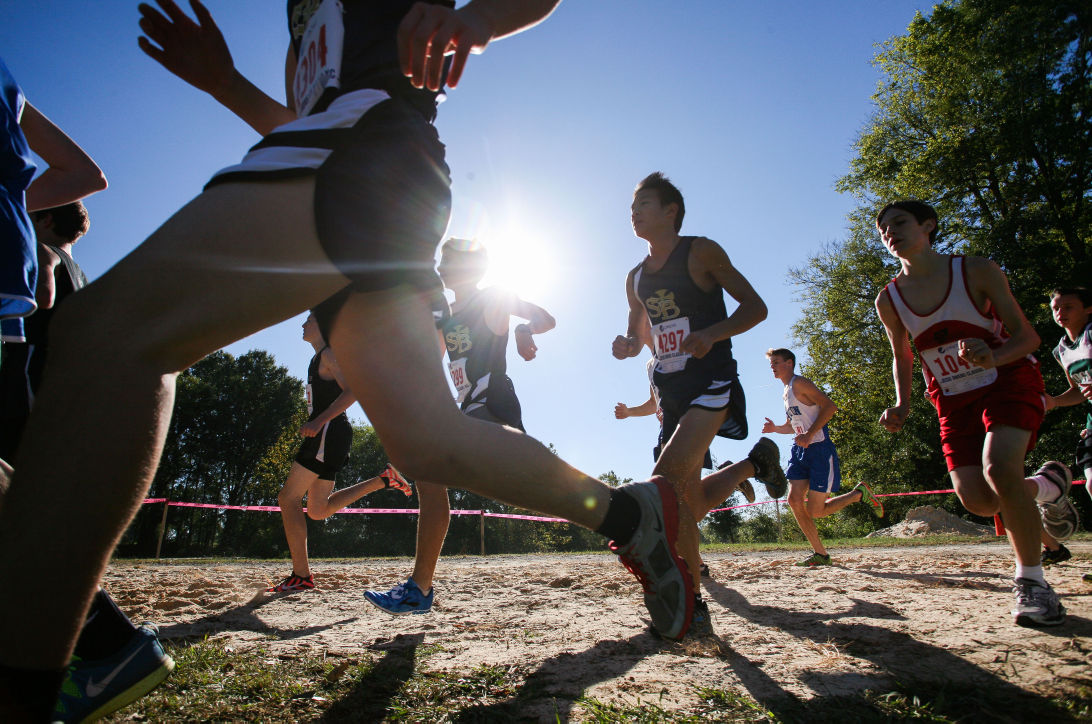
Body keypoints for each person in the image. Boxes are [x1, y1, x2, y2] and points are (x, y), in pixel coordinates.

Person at [0, 3, 700, 719]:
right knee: (427, 439)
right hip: (361, 175)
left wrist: (480, 16)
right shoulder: (300, 21)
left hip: (370, 155)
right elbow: (297, 126)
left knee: (107, 335)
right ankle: (635, 513)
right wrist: (221, 81)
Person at [874, 200, 1077, 627]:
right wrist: (903, 404)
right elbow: (903, 356)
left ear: (928, 226)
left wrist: (994, 355)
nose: (889, 232)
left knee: (999, 469)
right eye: (882, 229)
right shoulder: (889, 299)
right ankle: (1046, 486)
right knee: (980, 501)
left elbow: (1028, 337)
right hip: (952, 398)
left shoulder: (976, 271)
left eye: (899, 222)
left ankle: (1033, 583)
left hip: (1008, 379)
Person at [612, 171, 785, 588]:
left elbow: (755, 308)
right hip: (670, 391)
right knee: (689, 500)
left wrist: (711, 333)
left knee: (664, 479)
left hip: (711, 379)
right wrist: (627, 345)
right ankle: (752, 464)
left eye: (643, 205)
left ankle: (684, 592)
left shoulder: (701, 252)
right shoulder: (634, 278)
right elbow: (639, 336)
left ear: (671, 211)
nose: (633, 213)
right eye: (631, 207)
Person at [365, 238, 555, 614]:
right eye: (442, 259)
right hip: (470, 408)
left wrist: (523, 331)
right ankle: (419, 589)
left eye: (449, 260)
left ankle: (419, 589)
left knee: (433, 471)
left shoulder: (494, 297)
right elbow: (429, 356)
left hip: (493, 402)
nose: (442, 266)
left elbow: (546, 318)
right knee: (438, 476)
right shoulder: (447, 313)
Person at [269, 312, 413, 594]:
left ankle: (301, 575)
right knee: (318, 510)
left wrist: (318, 421)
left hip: (328, 433)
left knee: (288, 498)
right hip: (330, 435)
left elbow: (353, 391)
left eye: (310, 319)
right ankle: (383, 479)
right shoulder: (317, 358)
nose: (303, 324)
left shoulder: (330, 354)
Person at [760, 348, 884, 567]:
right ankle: (821, 553)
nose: (772, 367)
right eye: (770, 364)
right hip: (800, 451)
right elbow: (793, 426)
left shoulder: (800, 383)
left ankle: (858, 494)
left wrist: (809, 434)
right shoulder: (786, 391)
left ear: (789, 363)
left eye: (776, 362)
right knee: (793, 500)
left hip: (819, 450)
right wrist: (775, 429)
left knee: (816, 510)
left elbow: (830, 406)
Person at [0, 201, 92, 461]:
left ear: (47, 220)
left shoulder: (43, 251)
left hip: (32, 364)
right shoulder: (83, 277)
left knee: (11, 450)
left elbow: (44, 295)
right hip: (65, 378)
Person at [1041, 286, 1092, 564]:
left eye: (1068, 306)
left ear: (1088, 308)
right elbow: (1077, 390)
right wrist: (1054, 402)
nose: (1060, 312)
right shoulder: (1061, 350)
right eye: (1056, 308)